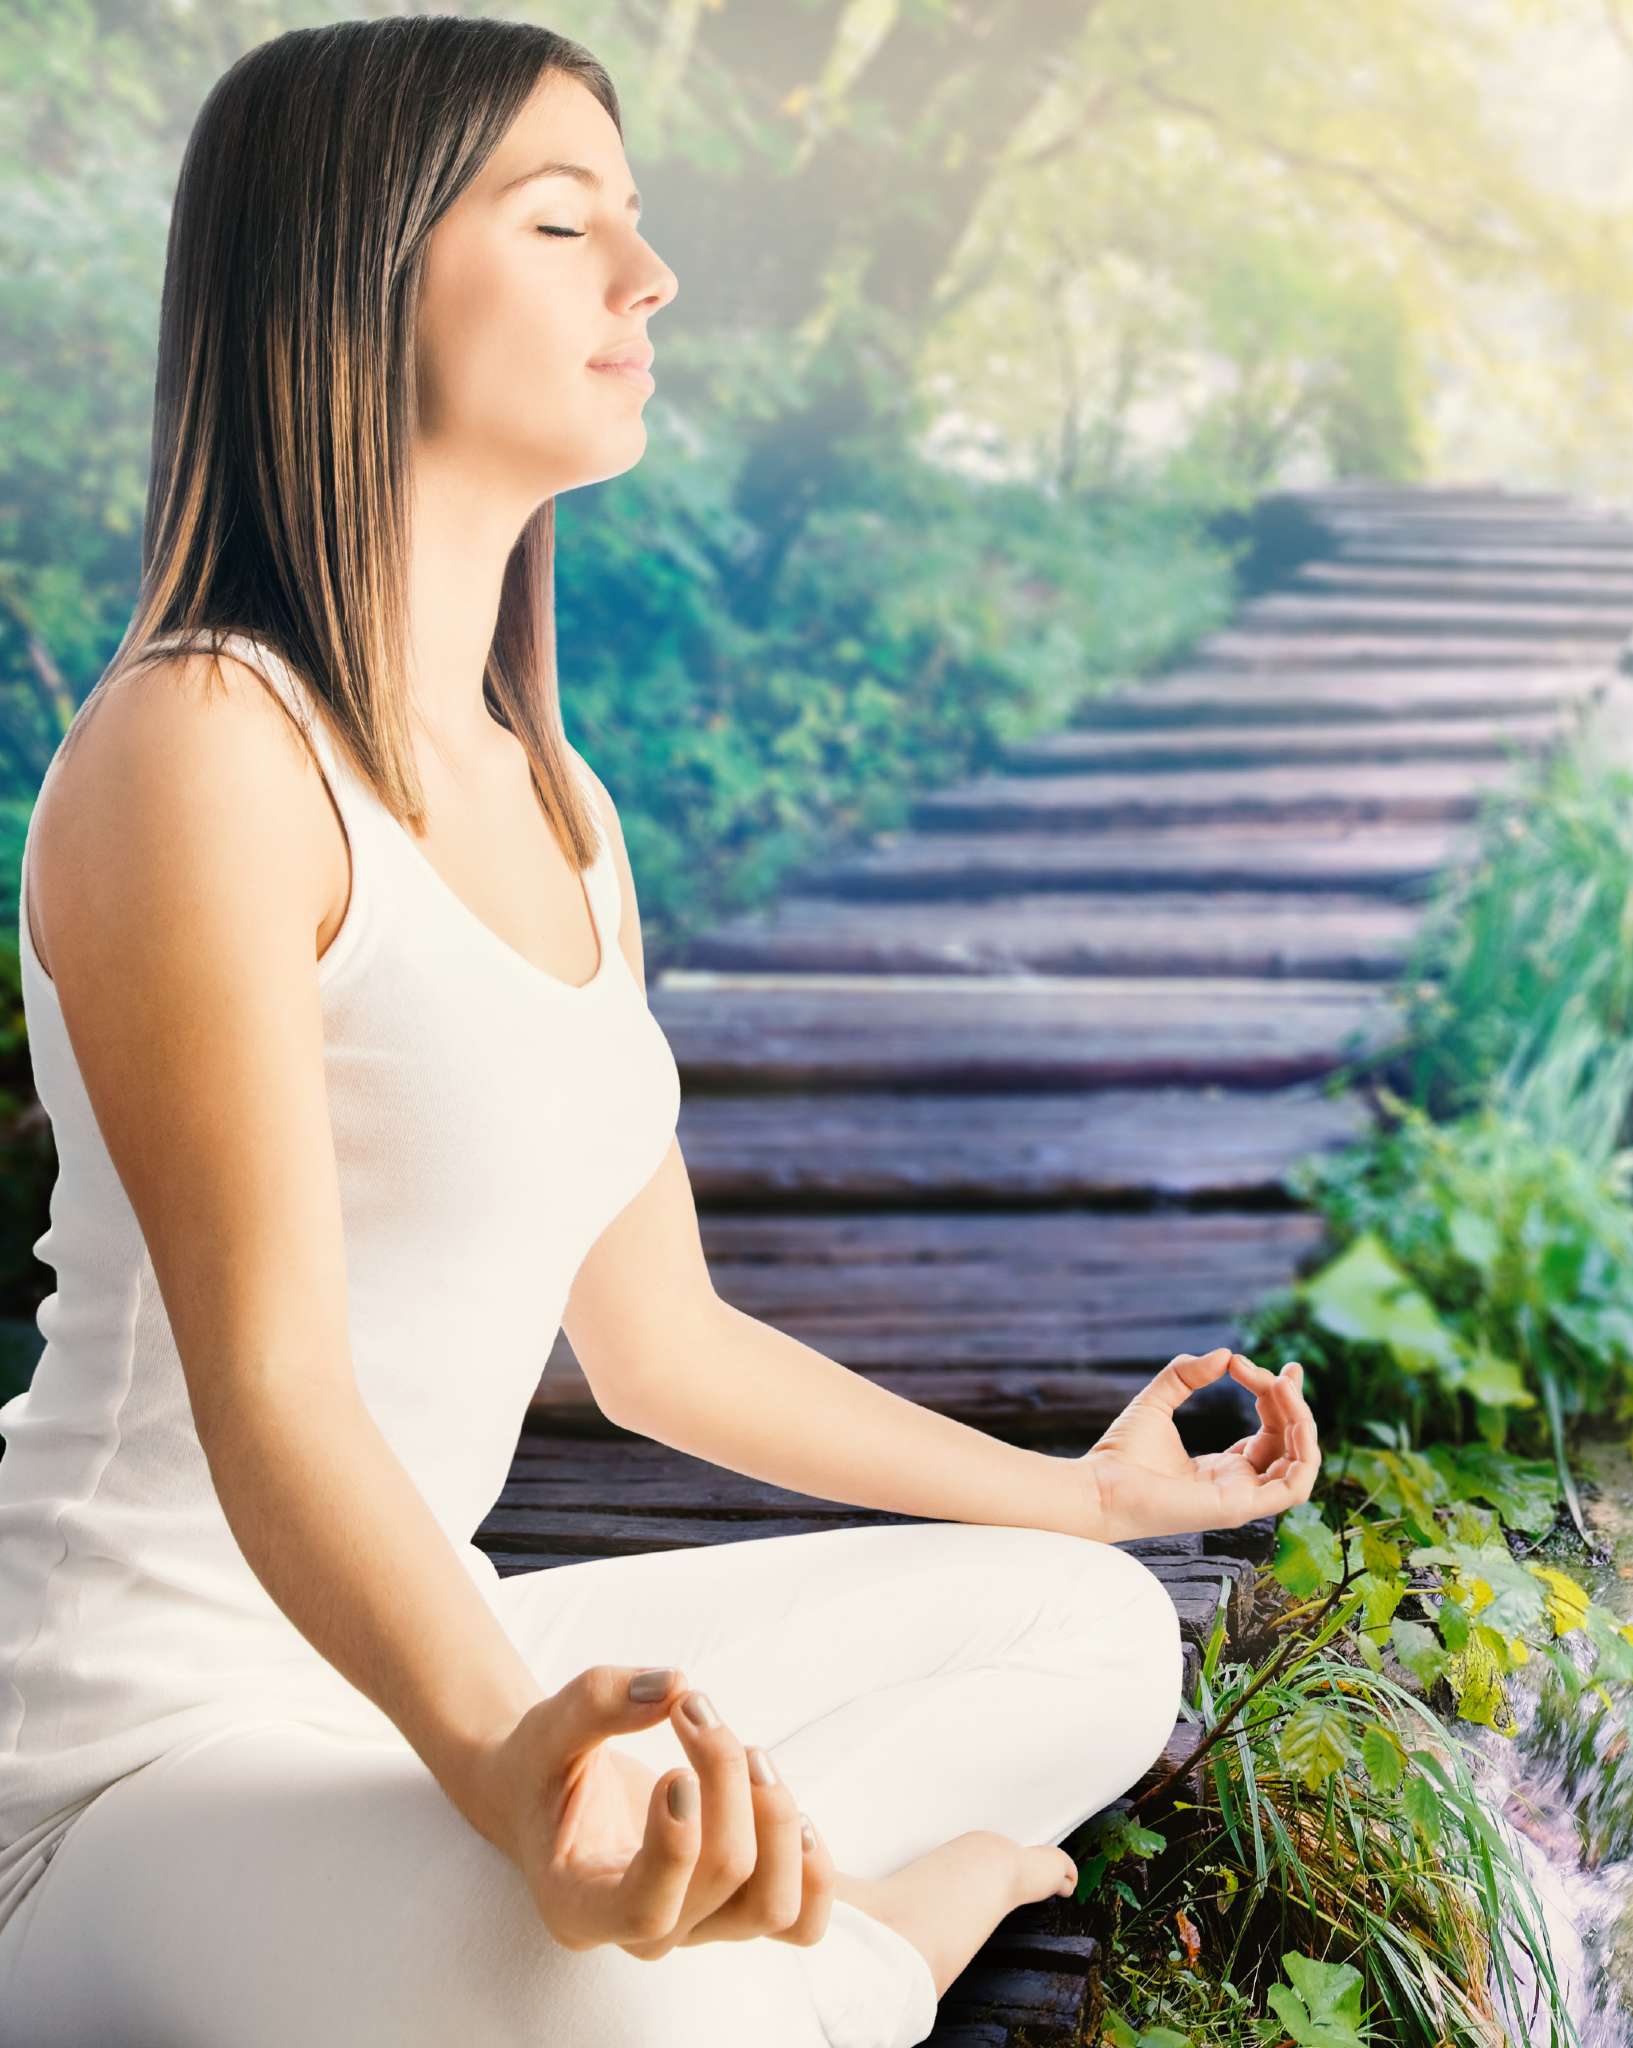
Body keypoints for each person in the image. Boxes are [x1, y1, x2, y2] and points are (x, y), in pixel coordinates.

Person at [0, 17, 1322, 2046]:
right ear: (358, 280)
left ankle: (746, 1920)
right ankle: (880, 1938)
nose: (651, 278)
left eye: (638, 221)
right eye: (563, 224)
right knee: (612, 2013)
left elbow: (661, 1347)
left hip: (400, 1666)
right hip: (122, 1774)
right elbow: (275, 1397)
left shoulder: (558, 796)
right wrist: (517, 1764)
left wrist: (1086, 1493)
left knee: (1083, 1634)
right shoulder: (201, 746)